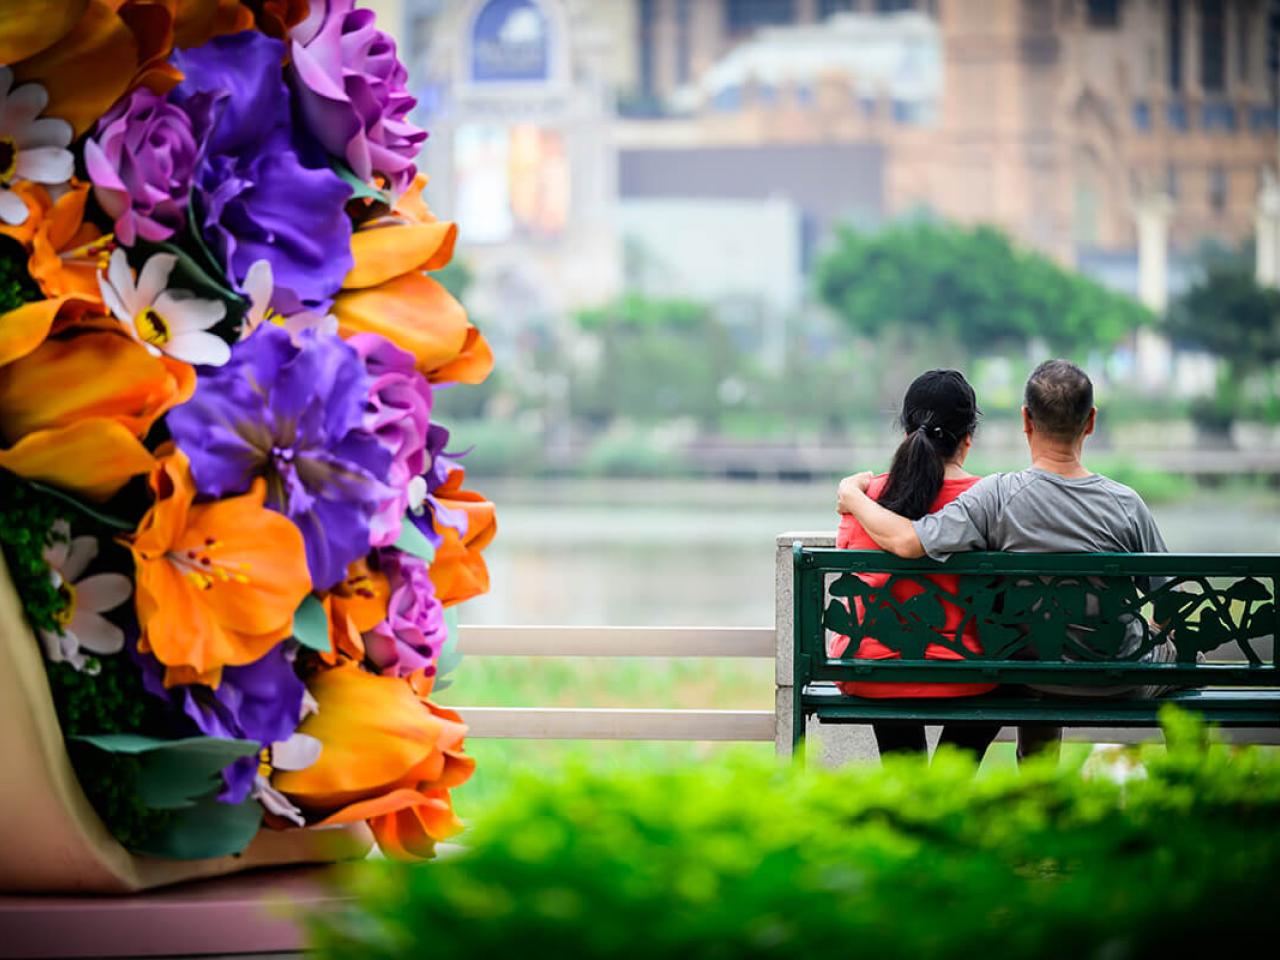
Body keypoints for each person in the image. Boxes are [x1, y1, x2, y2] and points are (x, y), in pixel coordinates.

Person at [837, 359, 1177, 758]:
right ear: (1091, 422)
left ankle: (1024, 785)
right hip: (1103, 673)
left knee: (1034, 661)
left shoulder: (995, 498)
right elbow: (1172, 595)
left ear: (1026, 420)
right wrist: (1157, 630)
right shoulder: (1124, 504)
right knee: (1180, 661)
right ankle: (1193, 785)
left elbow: (908, 540)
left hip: (1012, 676)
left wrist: (852, 496)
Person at [832, 369, 1001, 763]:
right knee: (1000, 674)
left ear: (906, 432)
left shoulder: (866, 497)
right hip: (967, 675)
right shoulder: (992, 500)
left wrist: (853, 495)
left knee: (890, 657)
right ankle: (947, 784)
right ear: (968, 439)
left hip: (873, 671)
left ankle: (912, 790)